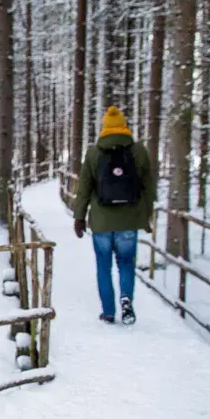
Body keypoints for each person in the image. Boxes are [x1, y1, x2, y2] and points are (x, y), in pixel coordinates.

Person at [72, 106, 156, 325]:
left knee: (104, 267)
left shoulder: (93, 153)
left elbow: (84, 189)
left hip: (101, 222)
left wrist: (79, 217)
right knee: (126, 264)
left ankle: (108, 311)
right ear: (124, 126)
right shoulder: (139, 151)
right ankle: (126, 299)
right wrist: (146, 216)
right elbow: (149, 188)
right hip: (129, 221)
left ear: (104, 127)